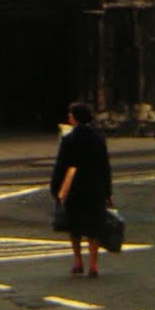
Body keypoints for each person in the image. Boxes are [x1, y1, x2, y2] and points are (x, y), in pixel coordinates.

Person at [50, 101, 113, 278]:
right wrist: (108, 191)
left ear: (75, 117)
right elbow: (105, 166)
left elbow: (61, 165)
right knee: (94, 226)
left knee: (75, 225)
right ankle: (93, 264)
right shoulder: (98, 138)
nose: (68, 117)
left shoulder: (69, 139)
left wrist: (56, 189)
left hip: (75, 185)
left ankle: (78, 261)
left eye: (70, 114)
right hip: (95, 185)